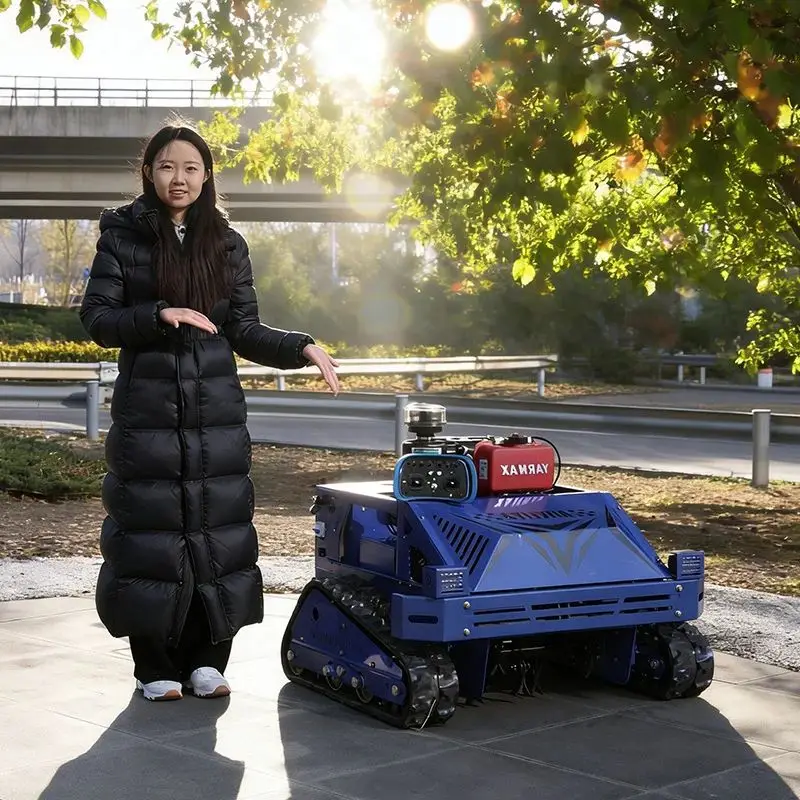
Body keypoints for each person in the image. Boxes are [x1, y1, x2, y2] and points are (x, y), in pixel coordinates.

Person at [79, 122, 339, 702]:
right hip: (147, 419)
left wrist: (300, 346)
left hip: (215, 416)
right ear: (149, 170)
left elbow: (243, 328)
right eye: (168, 166)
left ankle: (207, 660)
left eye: (191, 168)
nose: (180, 178)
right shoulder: (120, 238)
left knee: (215, 533)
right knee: (150, 536)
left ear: (206, 175)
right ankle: (153, 667)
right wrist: (157, 316)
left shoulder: (226, 244)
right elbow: (96, 320)